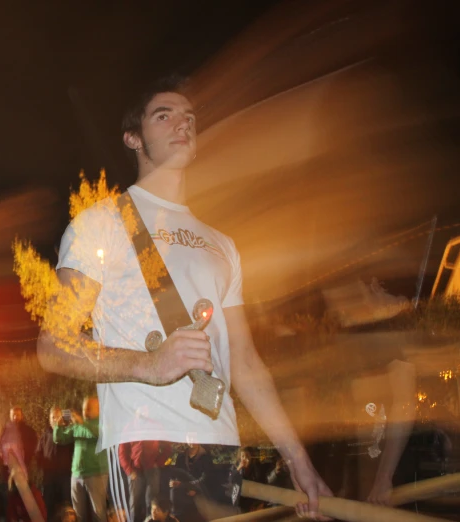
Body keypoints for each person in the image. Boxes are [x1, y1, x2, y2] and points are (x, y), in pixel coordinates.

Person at [37, 75, 332, 520]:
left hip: (222, 446)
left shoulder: (222, 244)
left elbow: (247, 363)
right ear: (133, 138)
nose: (183, 124)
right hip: (146, 445)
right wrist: (148, 365)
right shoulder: (101, 224)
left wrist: (299, 461)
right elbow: (53, 346)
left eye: (189, 117)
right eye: (164, 115)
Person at [54, 396, 108, 522]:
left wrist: (82, 423)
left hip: (96, 474)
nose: (85, 412)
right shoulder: (78, 424)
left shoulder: (103, 423)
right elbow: (59, 439)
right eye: (83, 409)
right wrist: (58, 426)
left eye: (89, 408)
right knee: (78, 515)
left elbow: (98, 434)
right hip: (77, 474)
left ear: (98, 409)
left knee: (98, 513)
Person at [118, 440, 167, 522]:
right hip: (135, 469)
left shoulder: (156, 427)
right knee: (134, 501)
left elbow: (167, 446)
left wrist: (159, 462)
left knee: (151, 501)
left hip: (152, 469)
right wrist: (129, 470)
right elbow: (122, 452)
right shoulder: (129, 428)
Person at [36, 407, 73, 515]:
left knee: (66, 503)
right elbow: (38, 453)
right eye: (53, 417)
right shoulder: (45, 435)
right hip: (49, 476)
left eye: (58, 417)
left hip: (65, 475)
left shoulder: (67, 433)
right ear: (49, 419)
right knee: (48, 503)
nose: (55, 420)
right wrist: (42, 465)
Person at [0, 406, 38, 482]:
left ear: (21, 416)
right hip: (8, 466)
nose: (15, 417)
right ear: (10, 416)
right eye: (13, 415)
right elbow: (0, 444)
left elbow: (33, 446)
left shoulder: (29, 431)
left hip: (23, 465)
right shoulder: (5, 430)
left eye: (17, 415)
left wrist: (26, 459)